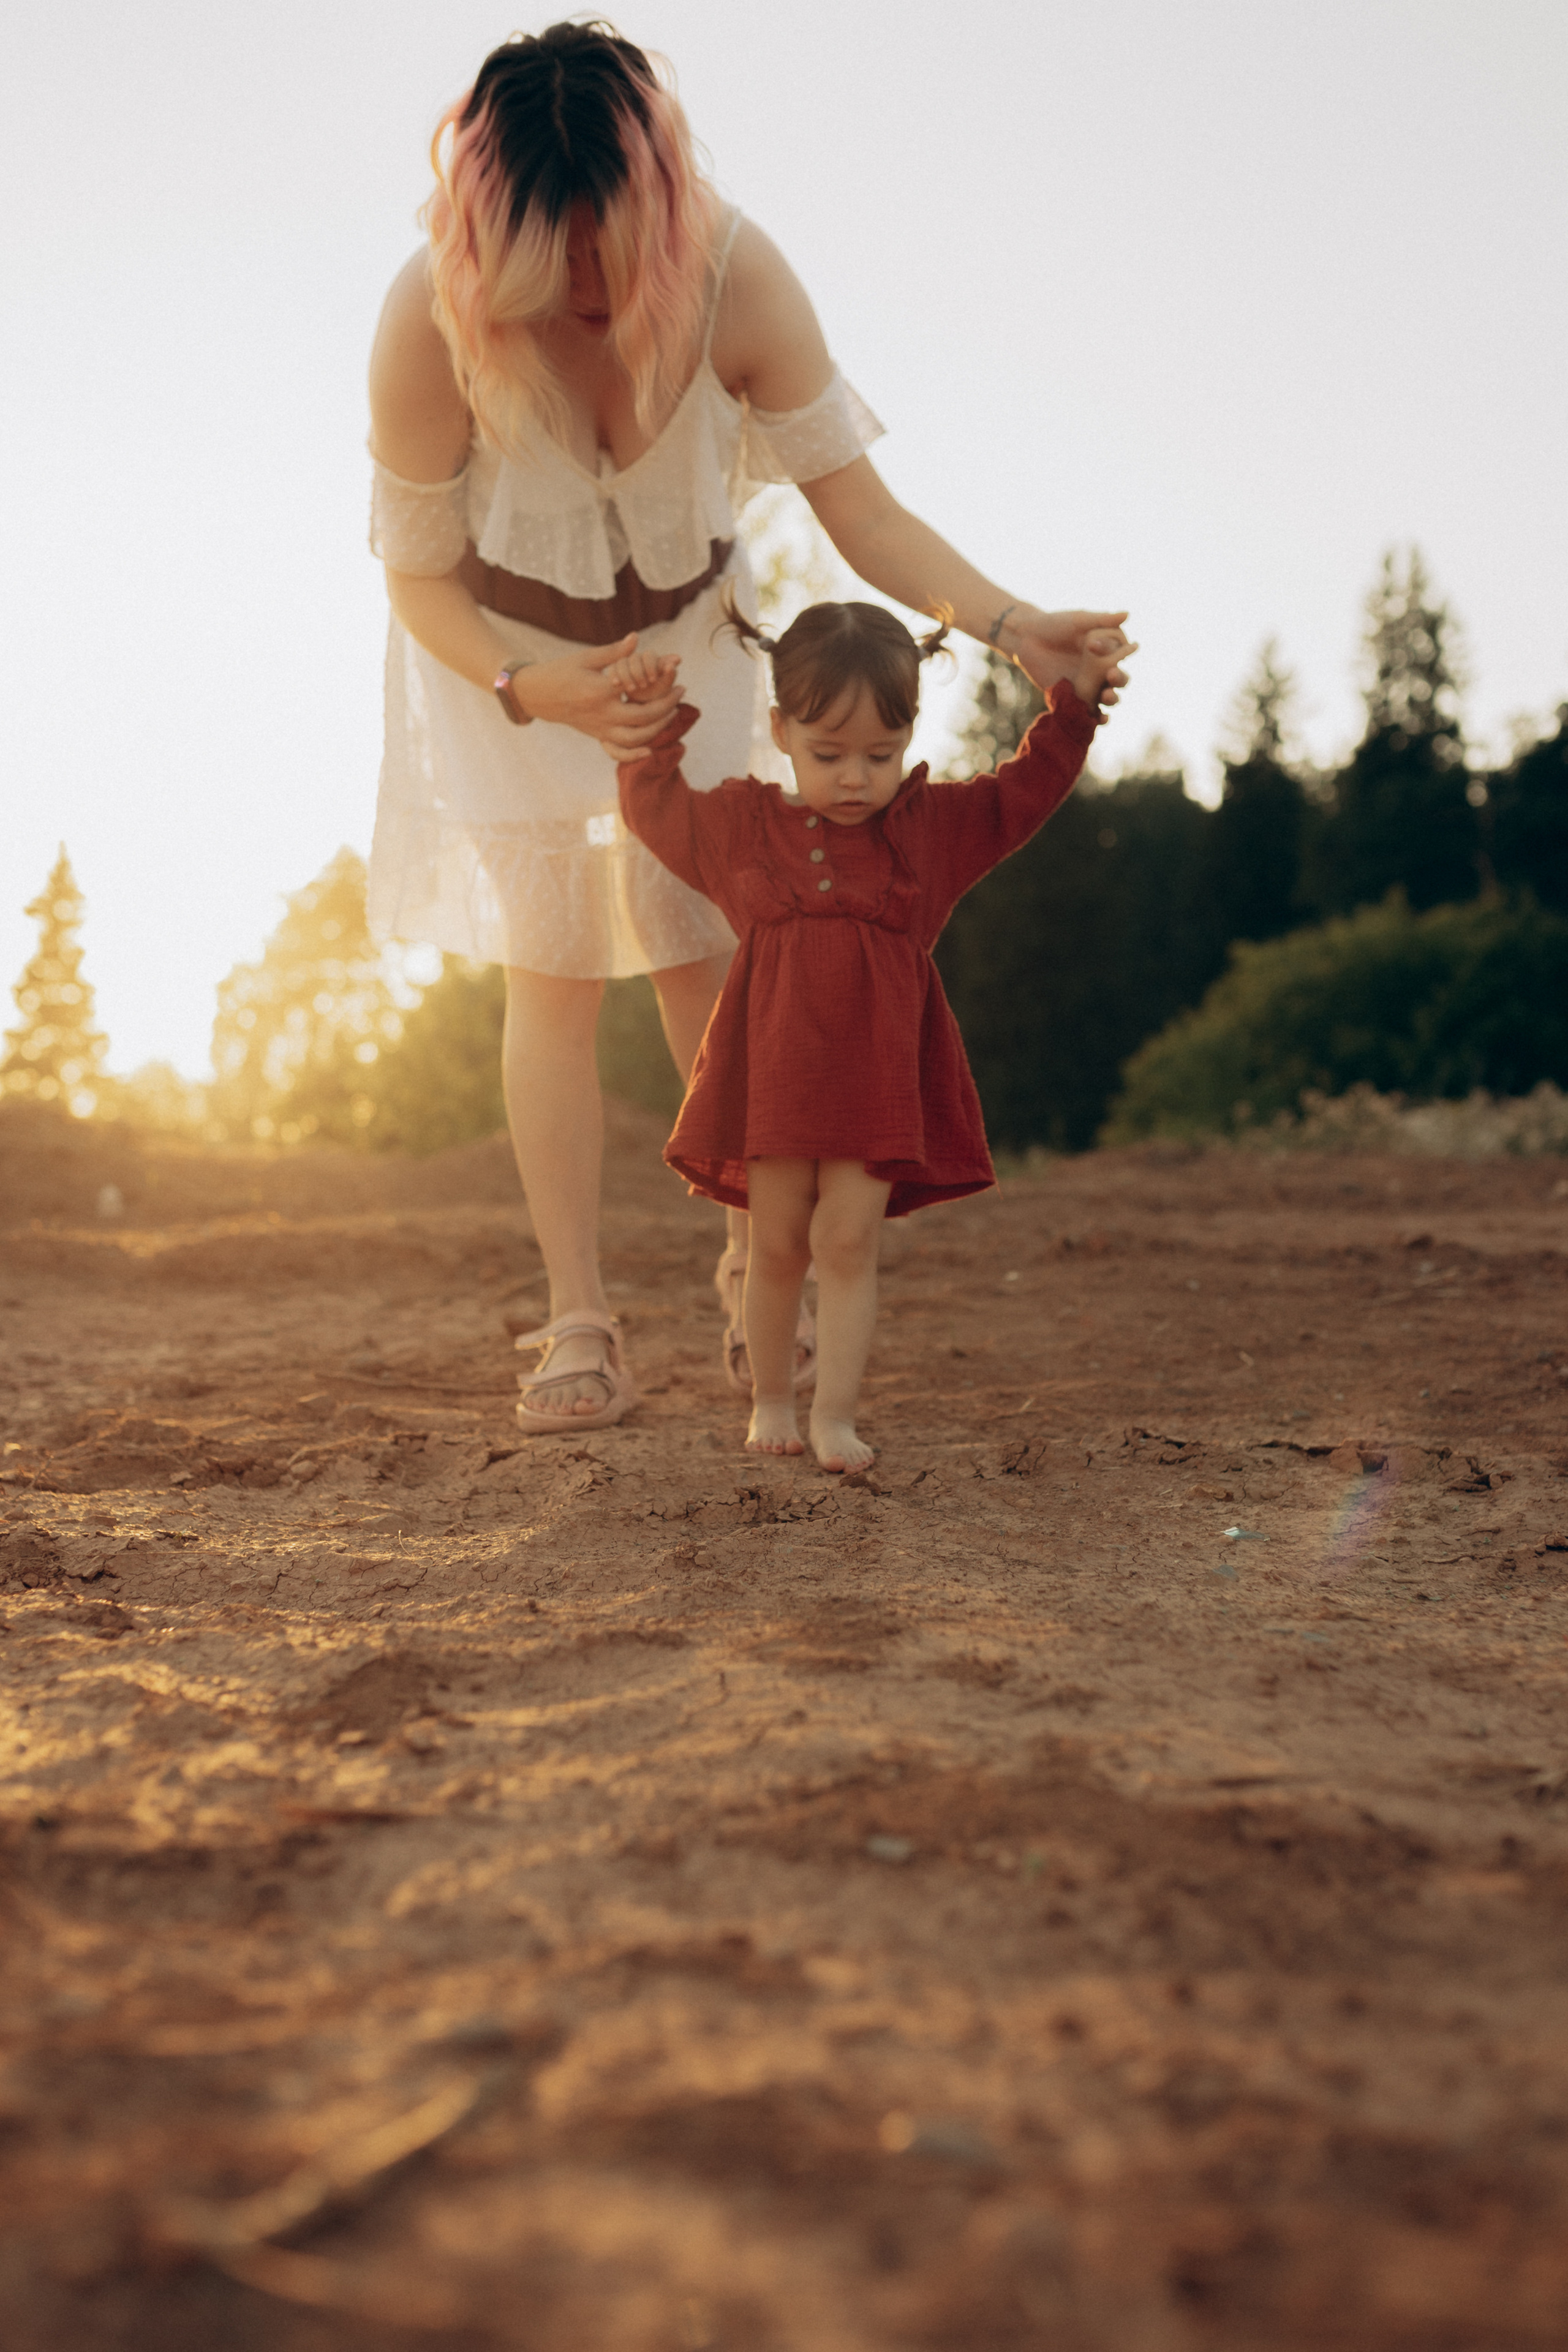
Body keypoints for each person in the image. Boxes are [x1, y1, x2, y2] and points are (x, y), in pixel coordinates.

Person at [366, 21, 1131, 1436]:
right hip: (505, 662)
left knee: (702, 938)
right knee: (551, 976)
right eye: (550, 267)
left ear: (659, 205)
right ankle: (579, 1320)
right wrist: (538, 686)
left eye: (604, 254)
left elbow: (865, 520)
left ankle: (748, 1250)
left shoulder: (738, 277)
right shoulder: (427, 313)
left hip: (689, 638)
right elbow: (415, 579)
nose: (582, 294)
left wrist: (1013, 623)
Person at [615, 601, 1136, 1471]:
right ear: (780, 730)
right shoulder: (742, 826)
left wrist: (1074, 703)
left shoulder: (931, 832)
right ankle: (773, 1401)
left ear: (908, 737)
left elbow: (1026, 791)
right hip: (774, 1080)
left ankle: (836, 1417)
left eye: (880, 755)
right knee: (775, 1245)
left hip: (875, 1083)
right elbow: (654, 807)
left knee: (847, 1241)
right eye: (828, 754)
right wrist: (653, 721)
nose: (855, 777)